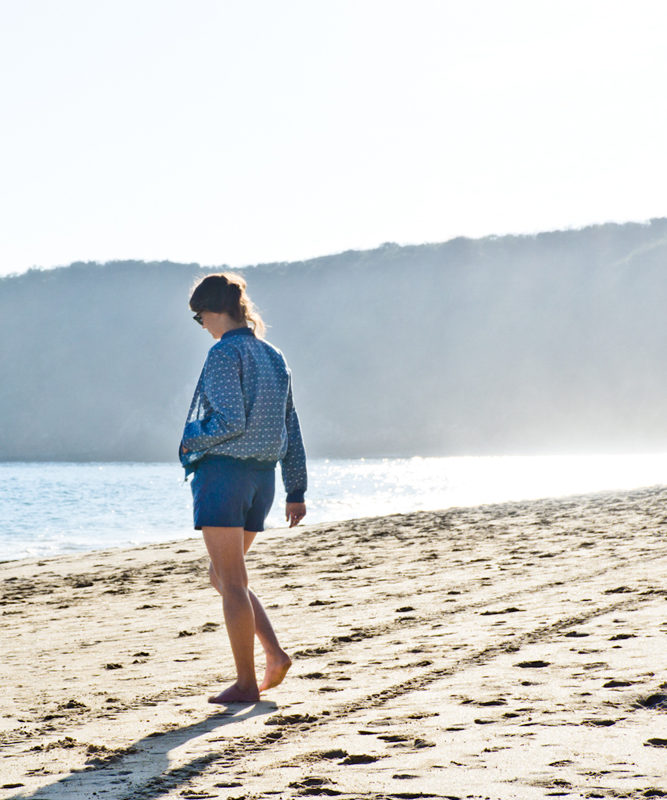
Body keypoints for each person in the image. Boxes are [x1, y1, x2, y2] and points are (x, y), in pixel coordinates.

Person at [179, 272, 307, 703]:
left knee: (231, 582)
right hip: (262, 481)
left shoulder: (223, 354)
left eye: (199, 317)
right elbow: (290, 426)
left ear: (215, 311)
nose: (201, 326)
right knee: (223, 576)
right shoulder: (273, 355)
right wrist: (296, 489)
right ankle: (274, 653)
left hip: (224, 478)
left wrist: (190, 439)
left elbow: (230, 420)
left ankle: (246, 684)